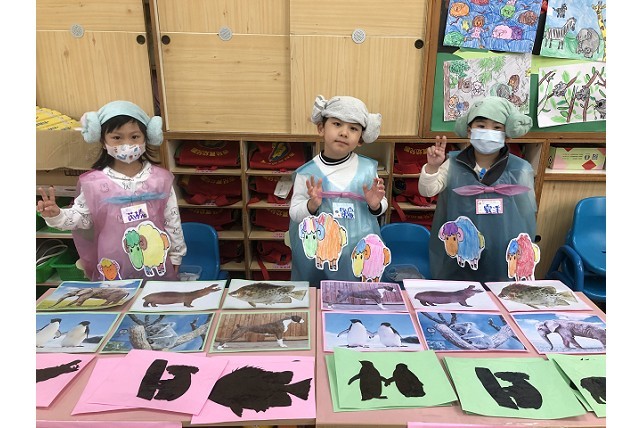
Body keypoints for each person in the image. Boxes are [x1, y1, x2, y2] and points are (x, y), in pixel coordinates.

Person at [36, 100, 186, 281]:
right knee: (118, 297)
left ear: (146, 137)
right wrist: (56, 215)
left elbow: (172, 219)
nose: (127, 144)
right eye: (117, 137)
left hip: (155, 259)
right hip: (113, 262)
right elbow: (82, 219)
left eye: (134, 137)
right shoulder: (94, 183)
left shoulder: (160, 179)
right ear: (102, 140)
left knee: (156, 296)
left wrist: (176, 254)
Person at [418, 96, 536, 283]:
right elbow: (427, 191)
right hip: (461, 248)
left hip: (502, 251)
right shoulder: (453, 164)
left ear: (507, 134)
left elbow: (525, 216)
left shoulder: (520, 169)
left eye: (497, 128)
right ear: (469, 130)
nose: (488, 132)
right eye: (481, 126)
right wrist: (432, 167)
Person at [288, 95, 388, 286]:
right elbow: (294, 213)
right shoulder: (307, 173)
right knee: (317, 297)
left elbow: (381, 205)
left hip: (359, 254)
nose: (344, 132)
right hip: (319, 257)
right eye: (337, 124)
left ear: (360, 139)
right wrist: (311, 205)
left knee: (358, 297)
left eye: (353, 128)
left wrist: (375, 205)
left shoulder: (368, 169)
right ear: (321, 128)